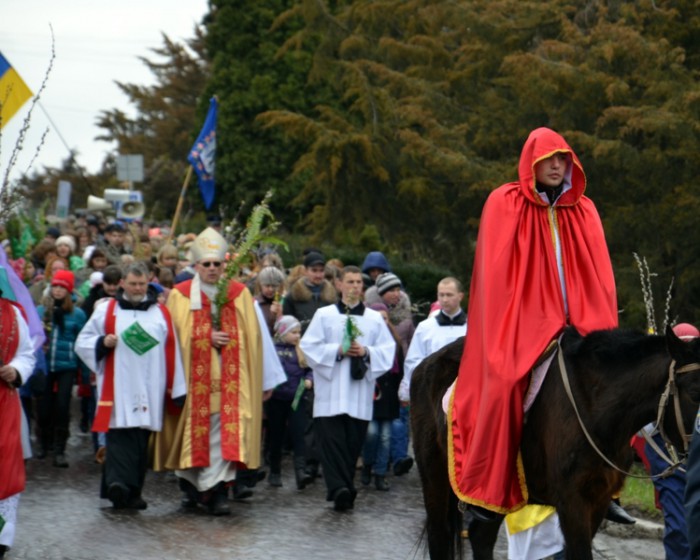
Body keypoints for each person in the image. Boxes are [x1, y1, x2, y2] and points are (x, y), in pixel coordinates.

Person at [448, 127, 619, 520]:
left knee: (612, 386)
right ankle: (490, 487)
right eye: (549, 159)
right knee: (506, 381)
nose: (557, 165)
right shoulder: (504, 203)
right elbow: (496, 278)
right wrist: (534, 321)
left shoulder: (585, 209)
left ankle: (608, 488)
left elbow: (600, 278)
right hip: (523, 322)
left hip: (581, 323)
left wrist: (588, 323)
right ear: (531, 162)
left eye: (564, 159)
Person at [151, 227, 284, 515]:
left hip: (230, 380)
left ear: (225, 264)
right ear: (196, 266)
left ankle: (218, 491)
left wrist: (266, 378)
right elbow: (173, 336)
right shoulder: (181, 294)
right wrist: (205, 337)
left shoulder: (238, 294)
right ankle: (191, 486)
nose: (212, 269)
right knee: (190, 431)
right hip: (191, 380)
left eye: (217, 264)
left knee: (224, 431)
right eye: (206, 264)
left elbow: (257, 337)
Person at [75, 262, 186, 510]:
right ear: (122, 283)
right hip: (118, 385)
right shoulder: (107, 310)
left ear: (148, 282)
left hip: (150, 386)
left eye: (142, 284)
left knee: (140, 440)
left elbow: (173, 350)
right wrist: (103, 342)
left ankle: (133, 491)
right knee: (118, 435)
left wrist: (177, 387)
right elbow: (82, 341)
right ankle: (118, 486)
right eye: (133, 284)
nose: (137, 289)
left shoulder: (161, 313)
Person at [300, 265, 396, 511]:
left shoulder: (374, 319)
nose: (354, 286)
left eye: (358, 283)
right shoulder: (324, 315)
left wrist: (365, 351)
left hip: (358, 394)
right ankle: (340, 489)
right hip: (330, 393)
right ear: (339, 285)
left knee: (352, 444)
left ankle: (344, 487)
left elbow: (387, 351)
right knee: (331, 443)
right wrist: (337, 350)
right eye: (349, 282)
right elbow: (309, 347)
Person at [36, 270, 87, 467]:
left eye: (62, 287)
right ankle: (43, 443)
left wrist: (84, 373)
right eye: (55, 286)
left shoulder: (77, 313)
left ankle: (60, 449)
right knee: (44, 406)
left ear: (68, 290)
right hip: (46, 365)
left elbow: (82, 341)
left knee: (63, 406)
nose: (57, 291)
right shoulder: (42, 311)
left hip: (67, 365)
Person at [0, 292, 36, 559]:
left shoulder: (13, 314)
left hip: (4, 401)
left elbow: (27, 354)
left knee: (5, 466)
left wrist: (16, 369)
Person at [399, 277, 466, 403]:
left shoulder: (472, 327)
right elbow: (413, 360)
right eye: (441, 295)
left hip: (463, 391)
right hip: (432, 391)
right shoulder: (425, 327)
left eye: (449, 295)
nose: (445, 300)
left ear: (460, 296)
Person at [360, 302, 404, 492]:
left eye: (384, 318)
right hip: (370, 396)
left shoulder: (395, 343)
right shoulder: (364, 341)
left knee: (386, 436)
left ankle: (379, 473)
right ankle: (367, 464)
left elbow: (401, 370)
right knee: (371, 434)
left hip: (389, 397)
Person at [267, 315, 313, 490]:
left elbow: (310, 369)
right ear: (282, 332)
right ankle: (275, 471)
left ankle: (300, 471)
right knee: (276, 436)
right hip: (276, 398)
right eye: (293, 332)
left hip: (297, 398)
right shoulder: (272, 349)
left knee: (298, 434)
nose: (297, 336)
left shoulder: (301, 350)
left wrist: (309, 379)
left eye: (299, 332)